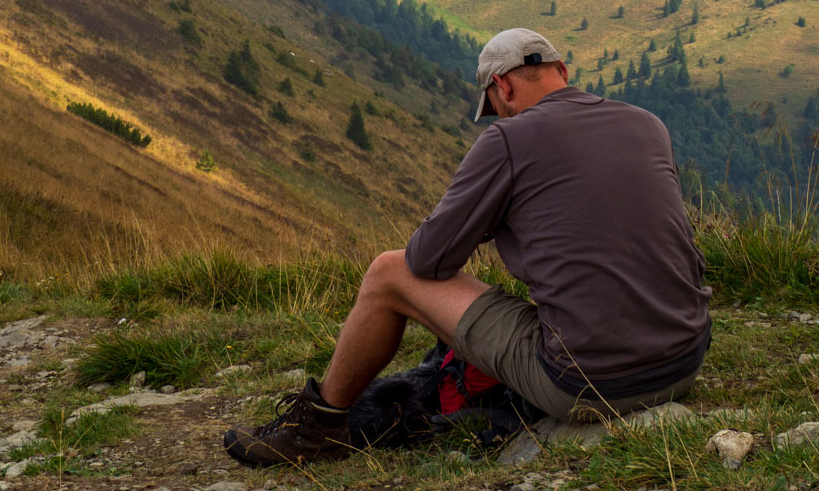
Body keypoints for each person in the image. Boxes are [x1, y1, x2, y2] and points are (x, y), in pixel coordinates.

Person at [224, 27, 711, 467]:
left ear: (501, 86)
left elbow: (427, 260)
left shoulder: (509, 138)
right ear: (561, 70)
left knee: (387, 274)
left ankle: (318, 430)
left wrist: (485, 218)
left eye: (495, 104)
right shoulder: (647, 124)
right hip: (684, 361)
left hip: (591, 386)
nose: (497, 114)